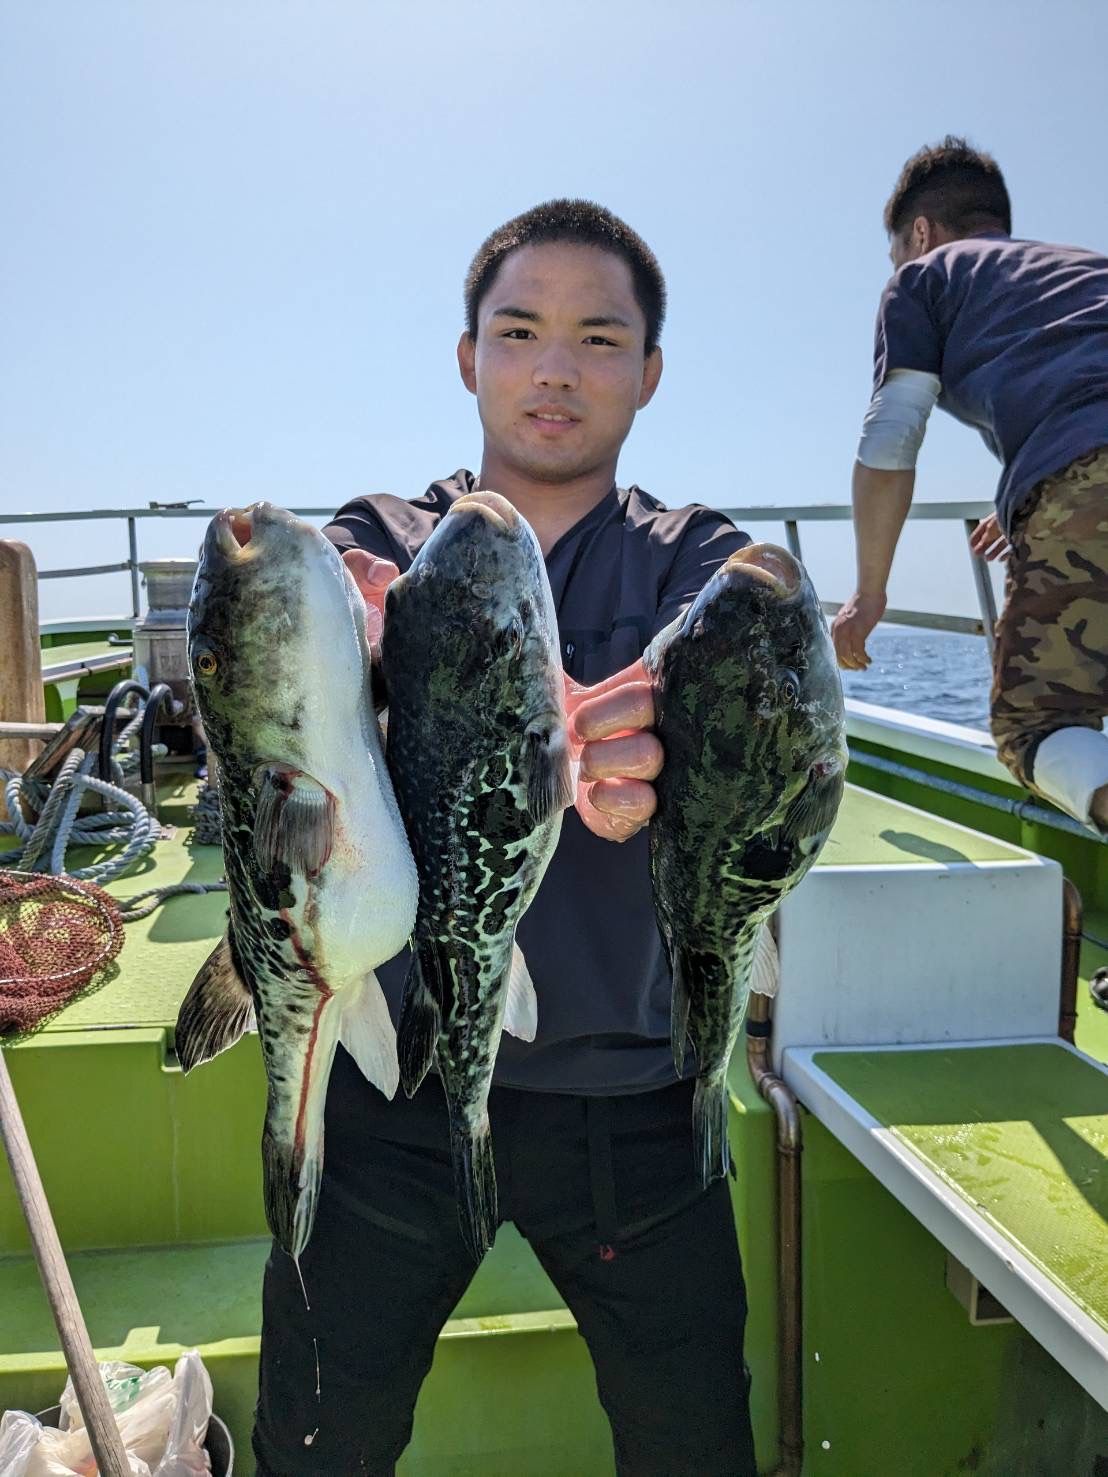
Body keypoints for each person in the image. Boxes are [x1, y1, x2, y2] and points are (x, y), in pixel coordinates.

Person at [252, 199, 759, 1476]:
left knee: (694, 1440)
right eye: (520, 331)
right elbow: (298, 655)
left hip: (637, 1100)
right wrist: (344, 653)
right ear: (468, 356)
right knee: (316, 1437)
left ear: (649, 372)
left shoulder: (699, 565)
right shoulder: (378, 543)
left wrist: (663, 735)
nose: (554, 369)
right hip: (392, 1087)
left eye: (600, 338)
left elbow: (747, 678)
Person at [831, 137, 1108, 835]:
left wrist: (868, 594)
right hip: (1076, 475)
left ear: (920, 233)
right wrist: (1019, 504)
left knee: (1039, 725)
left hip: (1084, 479)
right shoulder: (1083, 269)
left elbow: (893, 434)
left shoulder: (925, 278)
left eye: (896, 251)